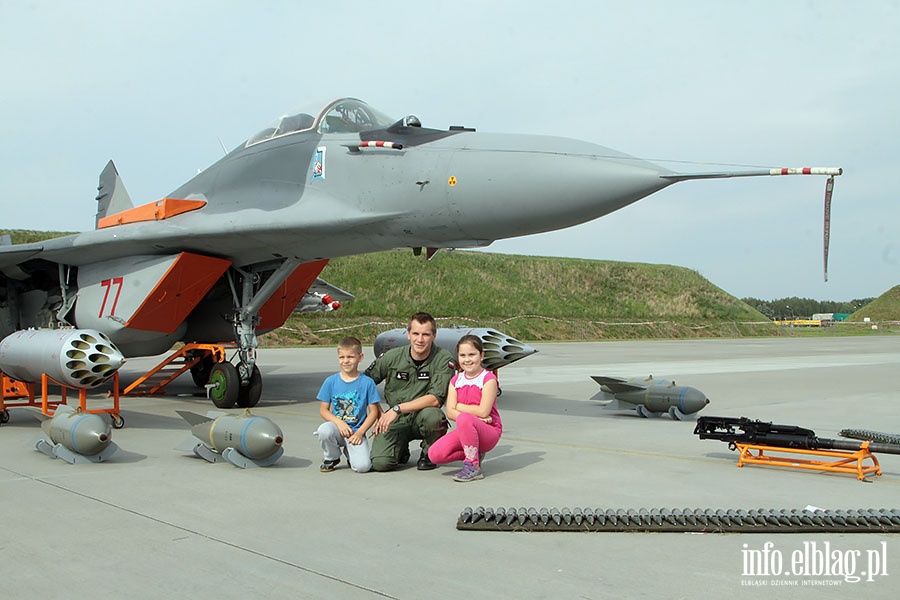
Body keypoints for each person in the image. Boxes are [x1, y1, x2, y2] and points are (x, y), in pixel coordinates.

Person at [365, 312, 455, 472]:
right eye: (416, 333)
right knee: (381, 464)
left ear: (434, 336)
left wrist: (397, 409)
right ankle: (400, 450)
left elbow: (435, 399)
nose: (420, 340)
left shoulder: (442, 359)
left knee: (434, 417)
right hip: (395, 420)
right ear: (408, 334)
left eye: (426, 334)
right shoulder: (391, 357)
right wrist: (378, 412)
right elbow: (364, 383)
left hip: (422, 416)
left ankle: (429, 453)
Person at [428, 334, 501, 482]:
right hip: (467, 428)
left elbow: (483, 411)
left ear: (481, 355)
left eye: (472, 354)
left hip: (489, 431)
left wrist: (459, 407)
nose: (467, 359)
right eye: (462, 355)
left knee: (463, 417)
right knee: (434, 454)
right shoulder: (455, 380)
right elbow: (450, 413)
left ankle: (473, 466)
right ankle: (474, 453)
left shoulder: (488, 379)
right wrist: (469, 415)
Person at [315, 336, 382, 473]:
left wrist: (360, 433)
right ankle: (331, 457)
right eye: (342, 357)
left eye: (350, 357)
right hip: (337, 428)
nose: (346, 361)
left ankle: (350, 452)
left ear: (360, 357)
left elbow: (374, 412)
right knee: (324, 430)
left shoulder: (367, 383)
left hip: (356, 431)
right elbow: (323, 410)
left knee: (363, 467)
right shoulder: (330, 381)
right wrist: (339, 423)